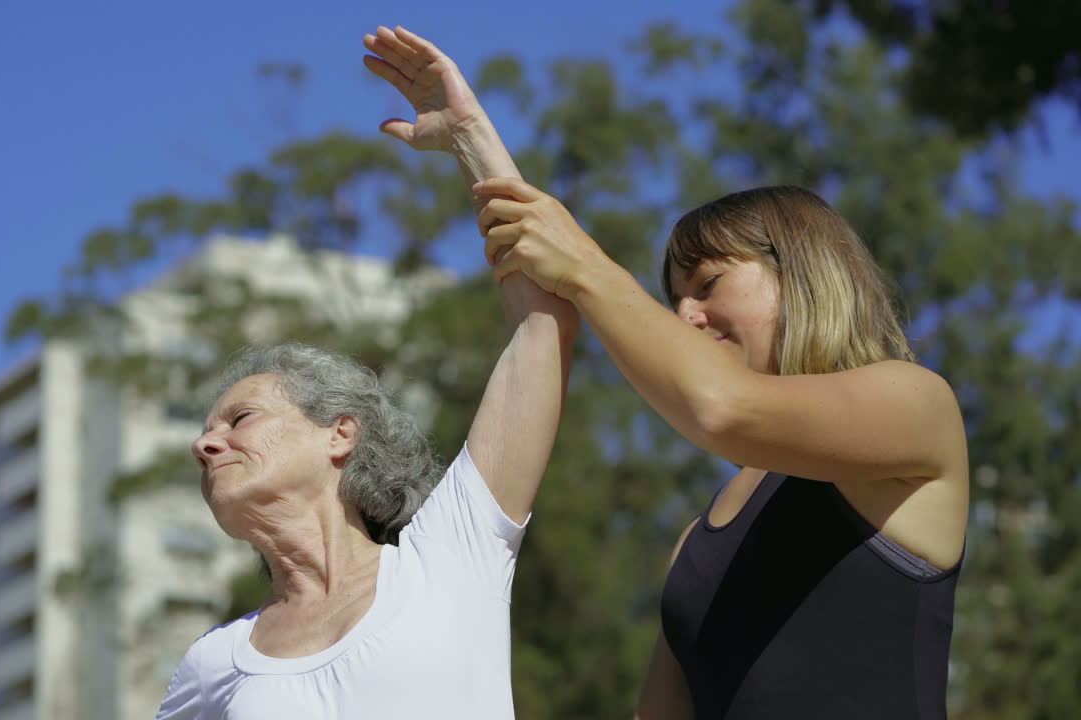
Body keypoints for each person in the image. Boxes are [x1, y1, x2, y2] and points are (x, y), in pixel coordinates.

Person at [358, 24, 968, 719]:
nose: (686, 317)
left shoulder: (918, 407)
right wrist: (476, 147)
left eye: (706, 285)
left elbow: (723, 410)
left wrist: (586, 264)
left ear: (801, 274)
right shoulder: (697, 545)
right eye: (675, 299)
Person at [153, 27, 578, 718]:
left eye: (240, 419)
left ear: (339, 434)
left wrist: (473, 141)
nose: (205, 445)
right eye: (205, 432)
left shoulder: (451, 556)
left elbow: (543, 327)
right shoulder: (212, 664)